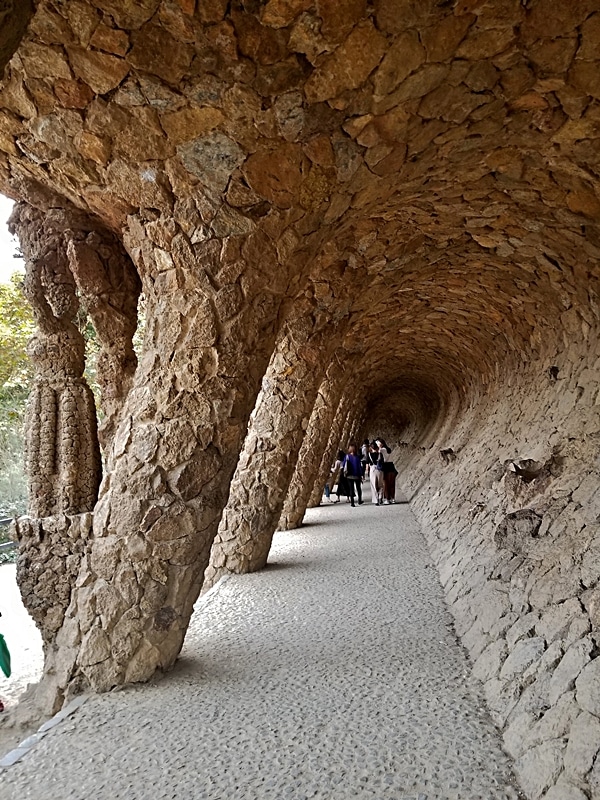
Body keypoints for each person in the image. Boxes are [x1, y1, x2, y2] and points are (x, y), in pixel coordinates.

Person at [376, 438, 397, 504]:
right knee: (392, 484)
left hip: (385, 467)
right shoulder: (389, 449)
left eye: (378, 443)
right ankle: (392, 498)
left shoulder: (381, 450)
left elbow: (379, 457)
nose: (377, 444)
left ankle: (387, 499)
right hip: (391, 466)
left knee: (386, 484)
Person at [343, 442, 363, 507]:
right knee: (358, 488)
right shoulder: (357, 457)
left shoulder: (347, 457)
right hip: (357, 475)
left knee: (351, 488)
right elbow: (359, 467)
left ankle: (352, 503)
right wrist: (361, 474)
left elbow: (344, 465)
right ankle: (360, 500)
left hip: (349, 475)